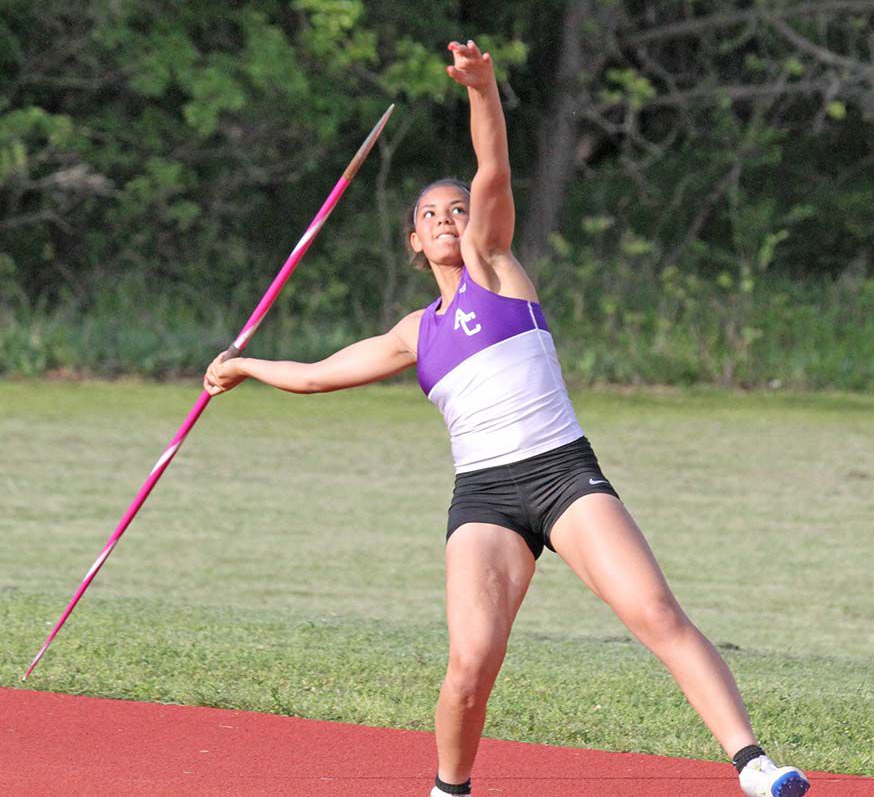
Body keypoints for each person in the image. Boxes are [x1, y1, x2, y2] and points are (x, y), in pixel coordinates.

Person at [203, 40, 810, 797]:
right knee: (469, 668)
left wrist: (482, 92)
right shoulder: (412, 332)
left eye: (456, 208)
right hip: (485, 498)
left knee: (654, 611)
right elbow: (321, 375)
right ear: (415, 243)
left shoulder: (497, 269)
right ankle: (448, 789)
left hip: (562, 473)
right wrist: (243, 366)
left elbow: (492, 172)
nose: (450, 218)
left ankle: (754, 763)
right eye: (431, 215)